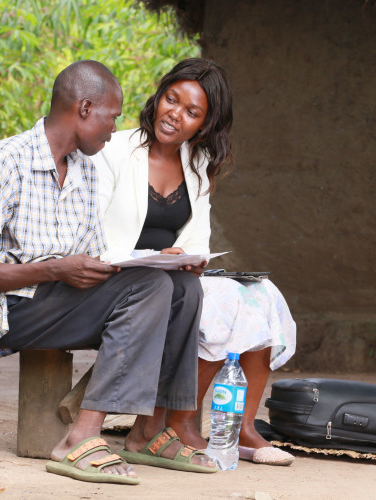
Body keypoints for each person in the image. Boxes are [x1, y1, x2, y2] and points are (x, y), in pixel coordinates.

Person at [0, 60, 216, 486]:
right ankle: (80, 437)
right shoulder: (4, 160)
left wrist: (153, 259)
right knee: (149, 287)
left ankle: (151, 430)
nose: (115, 129)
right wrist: (57, 269)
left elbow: (90, 255)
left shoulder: (86, 171)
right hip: (12, 310)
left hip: (61, 297)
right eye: (112, 117)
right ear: (86, 108)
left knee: (182, 286)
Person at [93, 58, 297, 466]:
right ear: (158, 96)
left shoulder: (197, 164)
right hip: (117, 276)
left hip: (170, 276)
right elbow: (92, 231)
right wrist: (150, 258)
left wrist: (185, 257)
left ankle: (242, 427)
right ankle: (174, 422)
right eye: (172, 99)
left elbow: (195, 239)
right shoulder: (114, 151)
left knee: (258, 293)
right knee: (216, 302)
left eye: (192, 112)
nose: (175, 114)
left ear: (204, 125)